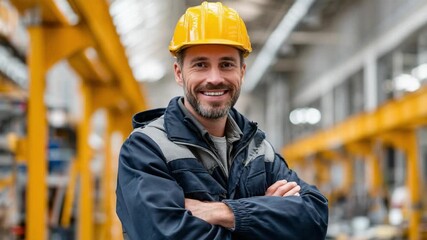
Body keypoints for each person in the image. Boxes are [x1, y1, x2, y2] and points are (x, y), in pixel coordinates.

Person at [116, 2, 328, 239]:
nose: (215, 78)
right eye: (200, 65)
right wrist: (268, 216)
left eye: (226, 64)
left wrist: (221, 212)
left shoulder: (257, 148)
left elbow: (314, 217)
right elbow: (163, 234)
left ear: (242, 72)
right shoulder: (146, 148)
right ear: (179, 73)